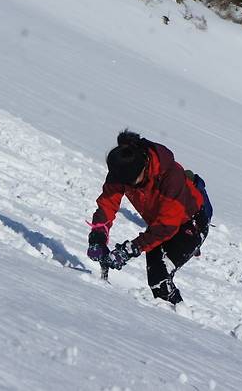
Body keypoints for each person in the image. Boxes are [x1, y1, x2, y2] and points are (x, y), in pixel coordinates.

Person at [87, 130, 212, 305]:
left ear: (144, 169)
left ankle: (180, 320)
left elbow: (166, 226)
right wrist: (98, 234)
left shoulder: (170, 178)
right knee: (156, 278)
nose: (127, 186)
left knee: (159, 277)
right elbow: (108, 203)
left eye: (131, 183)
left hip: (190, 224)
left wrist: (130, 249)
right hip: (158, 224)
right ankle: (169, 315)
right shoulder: (121, 169)